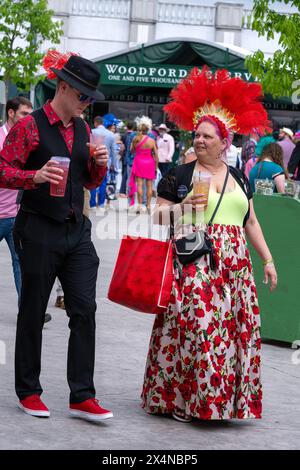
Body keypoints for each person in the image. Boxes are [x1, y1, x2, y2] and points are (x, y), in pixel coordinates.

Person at [141, 66, 277, 422]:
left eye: (207, 136)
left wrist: (268, 259)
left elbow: (251, 221)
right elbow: (158, 216)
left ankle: (219, 404)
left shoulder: (239, 177)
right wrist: (183, 208)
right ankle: (186, 401)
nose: (199, 140)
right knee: (199, 332)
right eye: (196, 135)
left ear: (224, 142)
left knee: (230, 336)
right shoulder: (180, 174)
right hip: (194, 260)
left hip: (235, 266)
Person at [0, 50, 113, 421]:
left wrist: (99, 168)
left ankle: (82, 394)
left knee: (85, 309)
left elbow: (87, 182)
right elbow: (2, 169)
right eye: (82, 96)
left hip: (75, 230)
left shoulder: (83, 129)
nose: (86, 104)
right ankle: (28, 391)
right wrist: (32, 177)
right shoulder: (29, 126)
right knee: (32, 311)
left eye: (89, 98)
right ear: (63, 87)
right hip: (37, 228)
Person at [0, 97, 32, 300]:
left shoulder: (28, 139)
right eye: (24, 114)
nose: (28, 119)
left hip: (17, 214)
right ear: (11, 113)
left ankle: (26, 311)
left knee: (21, 263)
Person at [128, 117, 158, 213]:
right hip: (149, 163)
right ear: (148, 130)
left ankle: (140, 206)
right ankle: (148, 205)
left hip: (139, 162)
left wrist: (136, 149)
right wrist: (156, 167)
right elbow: (156, 155)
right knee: (149, 185)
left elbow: (131, 151)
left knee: (139, 185)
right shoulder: (152, 140)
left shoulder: (136, 138)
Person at [90, 115, 117, 213]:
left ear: (95, 123)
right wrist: (114, 164)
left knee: (92, 181)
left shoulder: (91, 132)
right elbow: (114, 151)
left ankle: (92, 204)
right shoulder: (110, 134)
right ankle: (101, 204)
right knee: (103, 182)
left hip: (93, 160)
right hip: (106, 161)